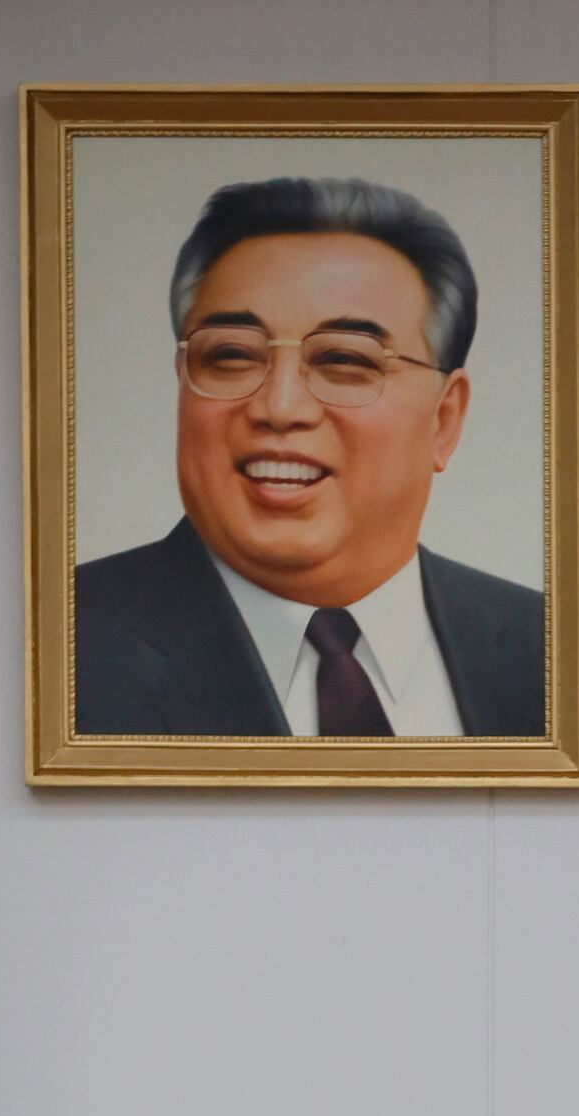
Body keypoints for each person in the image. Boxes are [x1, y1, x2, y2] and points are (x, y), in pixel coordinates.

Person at [75, 176, 544, 739]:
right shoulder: (61, 645)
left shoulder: (546, 648)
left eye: (345, 360)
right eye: (230, 356)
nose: (280, 407)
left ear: (444, 419)